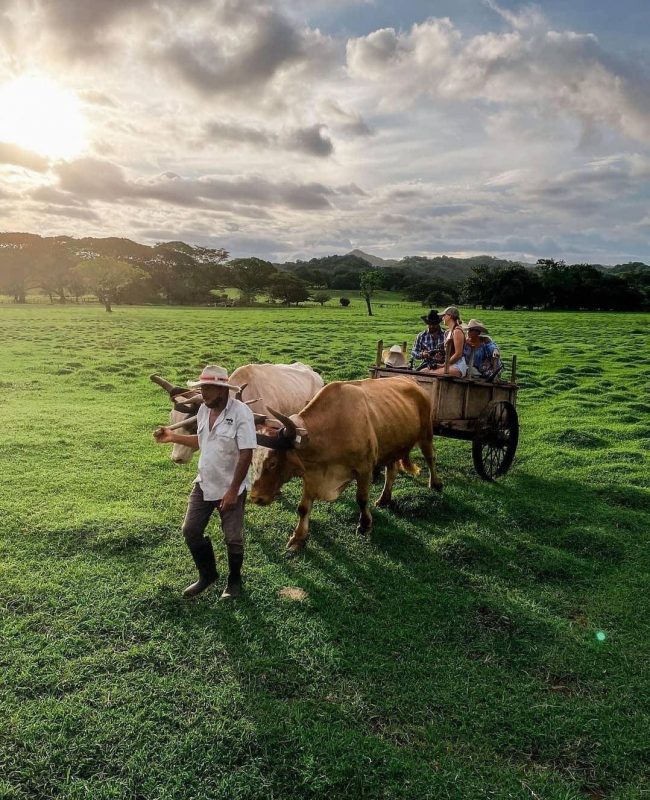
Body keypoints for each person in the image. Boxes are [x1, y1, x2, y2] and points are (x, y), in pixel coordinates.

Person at [153, 364, 257, 600]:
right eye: (202, 388)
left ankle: (234, 581)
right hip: (204, 482)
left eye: (208, 388)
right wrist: (172, 437)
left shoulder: (241, 413)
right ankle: (207, 575)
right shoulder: (202, 411)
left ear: (222, 390)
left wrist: (232, 491)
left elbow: (246, 454)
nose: (204, 393)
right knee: (190, 530)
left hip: (231, 487)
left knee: (233, 537)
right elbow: (201, 441)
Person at [429, 306, 468, 377]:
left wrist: (444, 365)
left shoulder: (457, 331)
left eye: (444, 315)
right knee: (423, 371)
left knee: (429, 374)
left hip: (458, 365)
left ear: (450, 316)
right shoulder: (448, 332)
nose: (442, 318)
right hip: (449, 364)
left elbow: (458, 354)